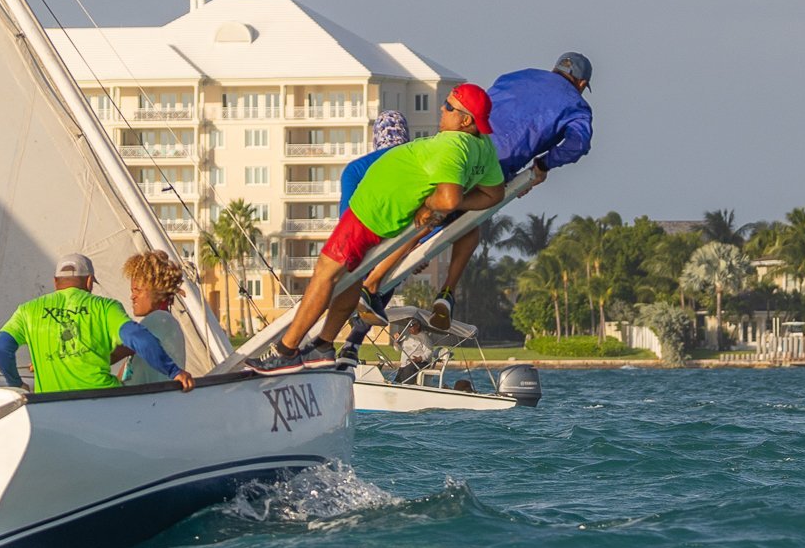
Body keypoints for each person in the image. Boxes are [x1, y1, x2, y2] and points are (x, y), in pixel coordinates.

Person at [246, 84, 505, 375]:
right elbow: (494, 195)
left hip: (372, 215)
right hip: (387, 217)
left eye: (448, 107)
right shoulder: (483, 147)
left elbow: (449, 199)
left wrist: (432, 205)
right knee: (352, 279)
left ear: (466, 120)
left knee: (325, 273)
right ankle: (323, 346)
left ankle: (286, 352)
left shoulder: (452, 145)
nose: (441, 111)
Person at [419, 51, 593, 329]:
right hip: (494, 167)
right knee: (468, 223)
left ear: (554, 69)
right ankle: (446, 291)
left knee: (429, 209)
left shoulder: (519, 75)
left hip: (455, 148)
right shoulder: (576, 105)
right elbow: (578, 145)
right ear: (582, 84)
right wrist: (545, 163)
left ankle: (409, 252)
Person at [0, 253, 195, 394]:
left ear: (55, 282)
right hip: (112, 403)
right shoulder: (106, 308)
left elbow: (1, 348)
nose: (132, 296)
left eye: (137, 290)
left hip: (58, 405)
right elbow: (135, 341)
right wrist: (175, 372)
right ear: (89, 282)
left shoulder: (27, 311)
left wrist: (17, 382)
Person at [116, 251, 187, 386]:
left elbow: (116, 354)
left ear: (157, 290)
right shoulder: (164, 322)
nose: (132, 297)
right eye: (132, 291)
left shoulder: (159, 320)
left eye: (138, 290)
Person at [392, 318, 435, 385]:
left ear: (417, 326)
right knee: (400, 376)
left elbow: (429, 351)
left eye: (411, 325)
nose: (409, 328)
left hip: (420, 363)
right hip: (405, 364)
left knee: (409, 368)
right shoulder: (406, 336)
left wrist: (420, 358)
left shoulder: (424, 337)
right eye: (408, 326)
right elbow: (397, 349)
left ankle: (409, 386)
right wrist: (396, 341)